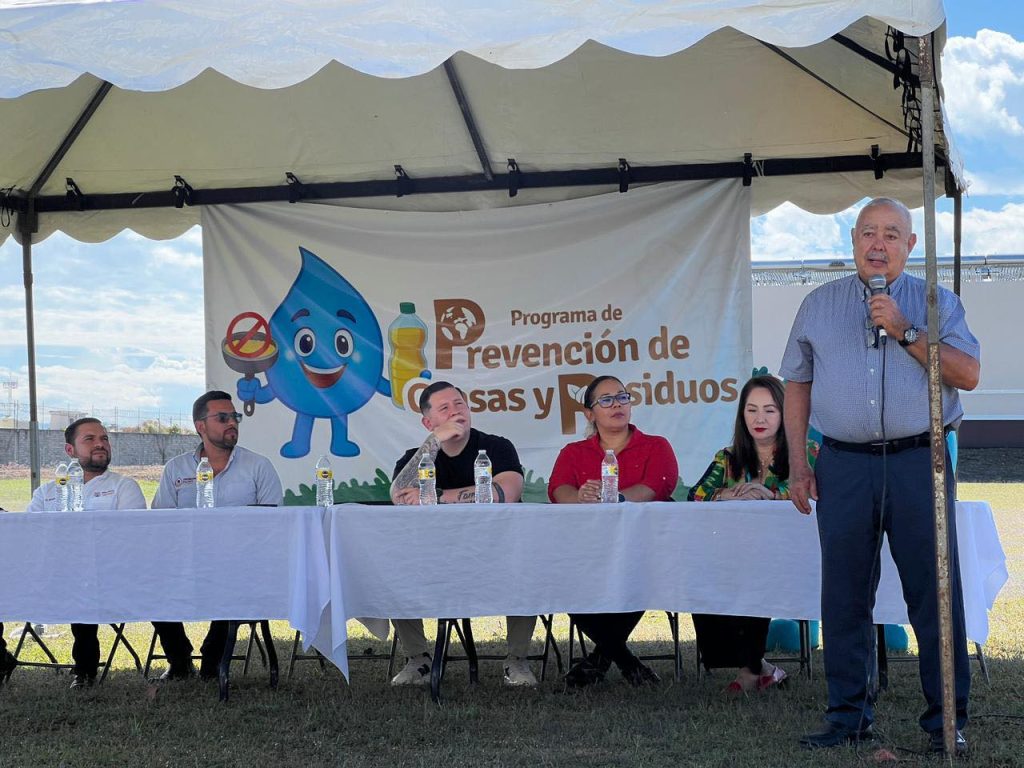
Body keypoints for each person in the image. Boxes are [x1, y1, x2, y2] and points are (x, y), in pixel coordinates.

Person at [781, 197, 979, 755]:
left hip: (919, 461)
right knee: (844, 595)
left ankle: (946, 721)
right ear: (852, 241)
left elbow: (967, 373)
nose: (878, 244)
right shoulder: (818, 305)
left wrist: (904, 328)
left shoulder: (937, 302)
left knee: (934, 593)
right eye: (868, 232)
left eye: (892, 234)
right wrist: (798, 464)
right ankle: (847, 717)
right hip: (842, 464)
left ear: (910, 245)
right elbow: (796, 383)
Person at [388, 381, 538, 687]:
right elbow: (398, 495)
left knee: (527, 564)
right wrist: (433, 442)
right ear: (428, 422)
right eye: (444, 408)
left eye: (460, 404)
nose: (456, 411)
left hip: (497, 552)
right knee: (393, 567)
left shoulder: (495, 447)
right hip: (435, 556)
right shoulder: (417, 456)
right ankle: (418, 659)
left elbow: (506, 492)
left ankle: (517, 660)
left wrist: (435, 496)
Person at [687, 375, 816, 693]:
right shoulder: (727, 458)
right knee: (706, 575)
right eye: (752, 410)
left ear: (785, 413)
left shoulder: (807, 452)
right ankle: (761, 668)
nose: (760, 419)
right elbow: (695, 495)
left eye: (770, 410)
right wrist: (727, 495)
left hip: (794, 557)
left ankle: (750, 670)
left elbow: (818, 492)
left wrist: (771, 495)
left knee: (756, 575)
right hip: (733, 556)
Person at [548, 374, 678, 687]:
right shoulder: (574, 452)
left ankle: (602, 658)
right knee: (559, 576)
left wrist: (615, 498)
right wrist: (579, 497)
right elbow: (557, 489)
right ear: (589, 414)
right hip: (587, 550)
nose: (617, 404)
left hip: (644, 548)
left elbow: (658, 486)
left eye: (622, 397)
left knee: (640, 575)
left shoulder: (655, 446)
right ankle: (625, 660)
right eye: (606, 400)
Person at [151, 391, 283, 680]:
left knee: (234, 581)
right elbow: (161, 522)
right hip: (186, 563)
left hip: (241, 563)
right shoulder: (176, 468)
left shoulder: (258, 466)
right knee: (150, 583)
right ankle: (180, 660)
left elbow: (274, 525)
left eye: (234, 417)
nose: (232, 423)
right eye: (222, 418)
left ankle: (213, 662)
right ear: (201, 426)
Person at [26, 417, 147, 688]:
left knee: (81, 583)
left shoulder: (124, 487)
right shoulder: (47, 492)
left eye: (104, 439)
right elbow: (31, 536)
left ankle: (84, 670)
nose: (100, 444)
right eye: (90, 439)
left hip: (109, 577)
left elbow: (131, 540)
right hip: (52, 577)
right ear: (70, 450)